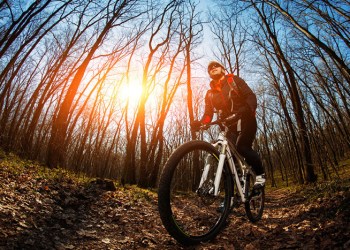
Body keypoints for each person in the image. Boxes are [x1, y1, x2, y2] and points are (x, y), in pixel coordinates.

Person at [191, 60, 265, 187]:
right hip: (229, 126)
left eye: (216, 66)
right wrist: (201, 123)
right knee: (227, 159)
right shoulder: (209, 94)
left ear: (222, 69)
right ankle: (231, 196)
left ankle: (260, 175)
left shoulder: (233, 81)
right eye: (210, 68)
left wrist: (247, 108)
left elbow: (250, 95)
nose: (212, 68)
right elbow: (208, 114)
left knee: (242, 147)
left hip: (245, 118)